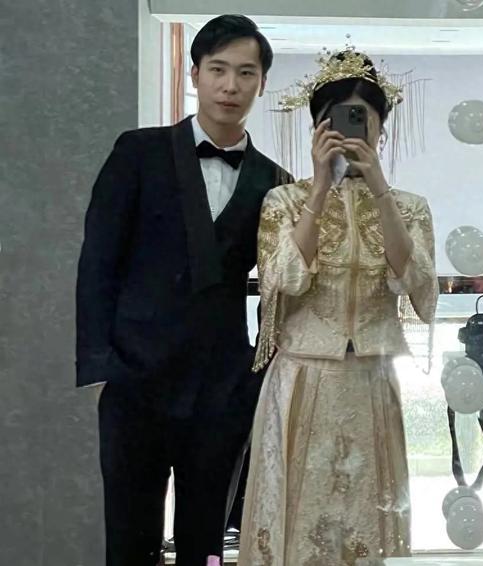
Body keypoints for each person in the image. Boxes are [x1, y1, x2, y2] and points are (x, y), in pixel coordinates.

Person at [75, 15, 291, 566]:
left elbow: (284, 284)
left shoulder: (275, 182)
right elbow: (98, 262)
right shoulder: (139, 153)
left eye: (245, 73)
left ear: (262, 83)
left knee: (207, 544)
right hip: (135, 377)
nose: (230, 85)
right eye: (218, 69)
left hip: (221, 385)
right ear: (195, 74)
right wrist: (100, 368)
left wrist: (259, 376)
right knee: (130, 541)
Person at [238, 48, 439, 564]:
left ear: (381, 129)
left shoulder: (410, 207)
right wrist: (320, 186)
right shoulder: (284, 201)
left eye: (363, 120)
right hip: (302, 376)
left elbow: (417, 286)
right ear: (317, 127)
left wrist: (379, 189)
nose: (352, 131)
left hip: (372, 377)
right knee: (299, 514)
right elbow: (283, 280)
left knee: (367, 516)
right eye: (339, 119)